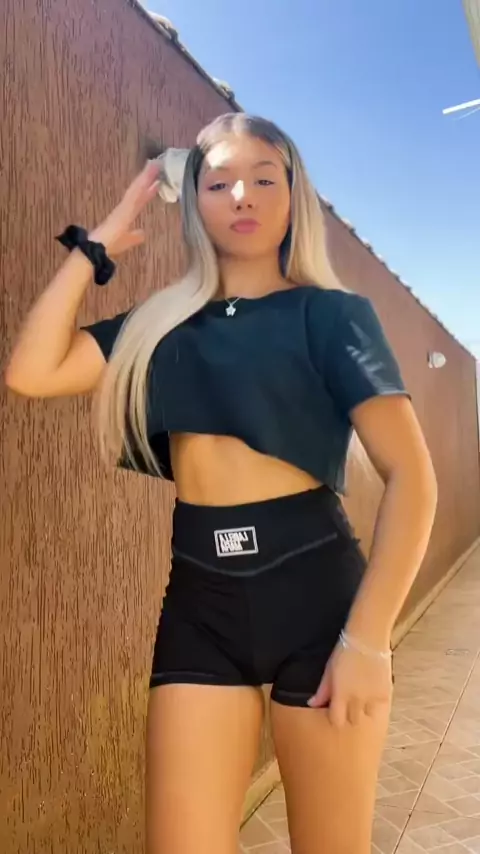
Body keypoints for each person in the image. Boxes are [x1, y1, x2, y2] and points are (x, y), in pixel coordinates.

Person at [5, 113, 437, 854]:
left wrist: (368, 643)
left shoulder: (331, 315)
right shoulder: (161, 325)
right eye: (219, 182)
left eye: (264, 179)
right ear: (195, 203)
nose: (242, 195)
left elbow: (412, 479)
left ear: (293, 196)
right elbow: (31, 371)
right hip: (201, 601)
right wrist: (95, 247)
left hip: (318, 600)